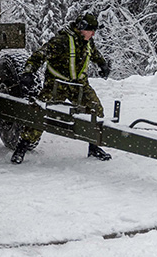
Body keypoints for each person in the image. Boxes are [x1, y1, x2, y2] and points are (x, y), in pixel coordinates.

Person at [13, 13, 113, 164]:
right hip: (56, 86)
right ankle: (22, 147)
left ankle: (94, 147)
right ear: (81, 28)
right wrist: (28, 72)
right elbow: (39, 55)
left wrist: (102, 64)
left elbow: (94, 54)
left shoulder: (87, 42)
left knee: (96, 110)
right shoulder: (61, 41)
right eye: (90, 30)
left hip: (80, 86)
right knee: (39, 112)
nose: (93, 34)